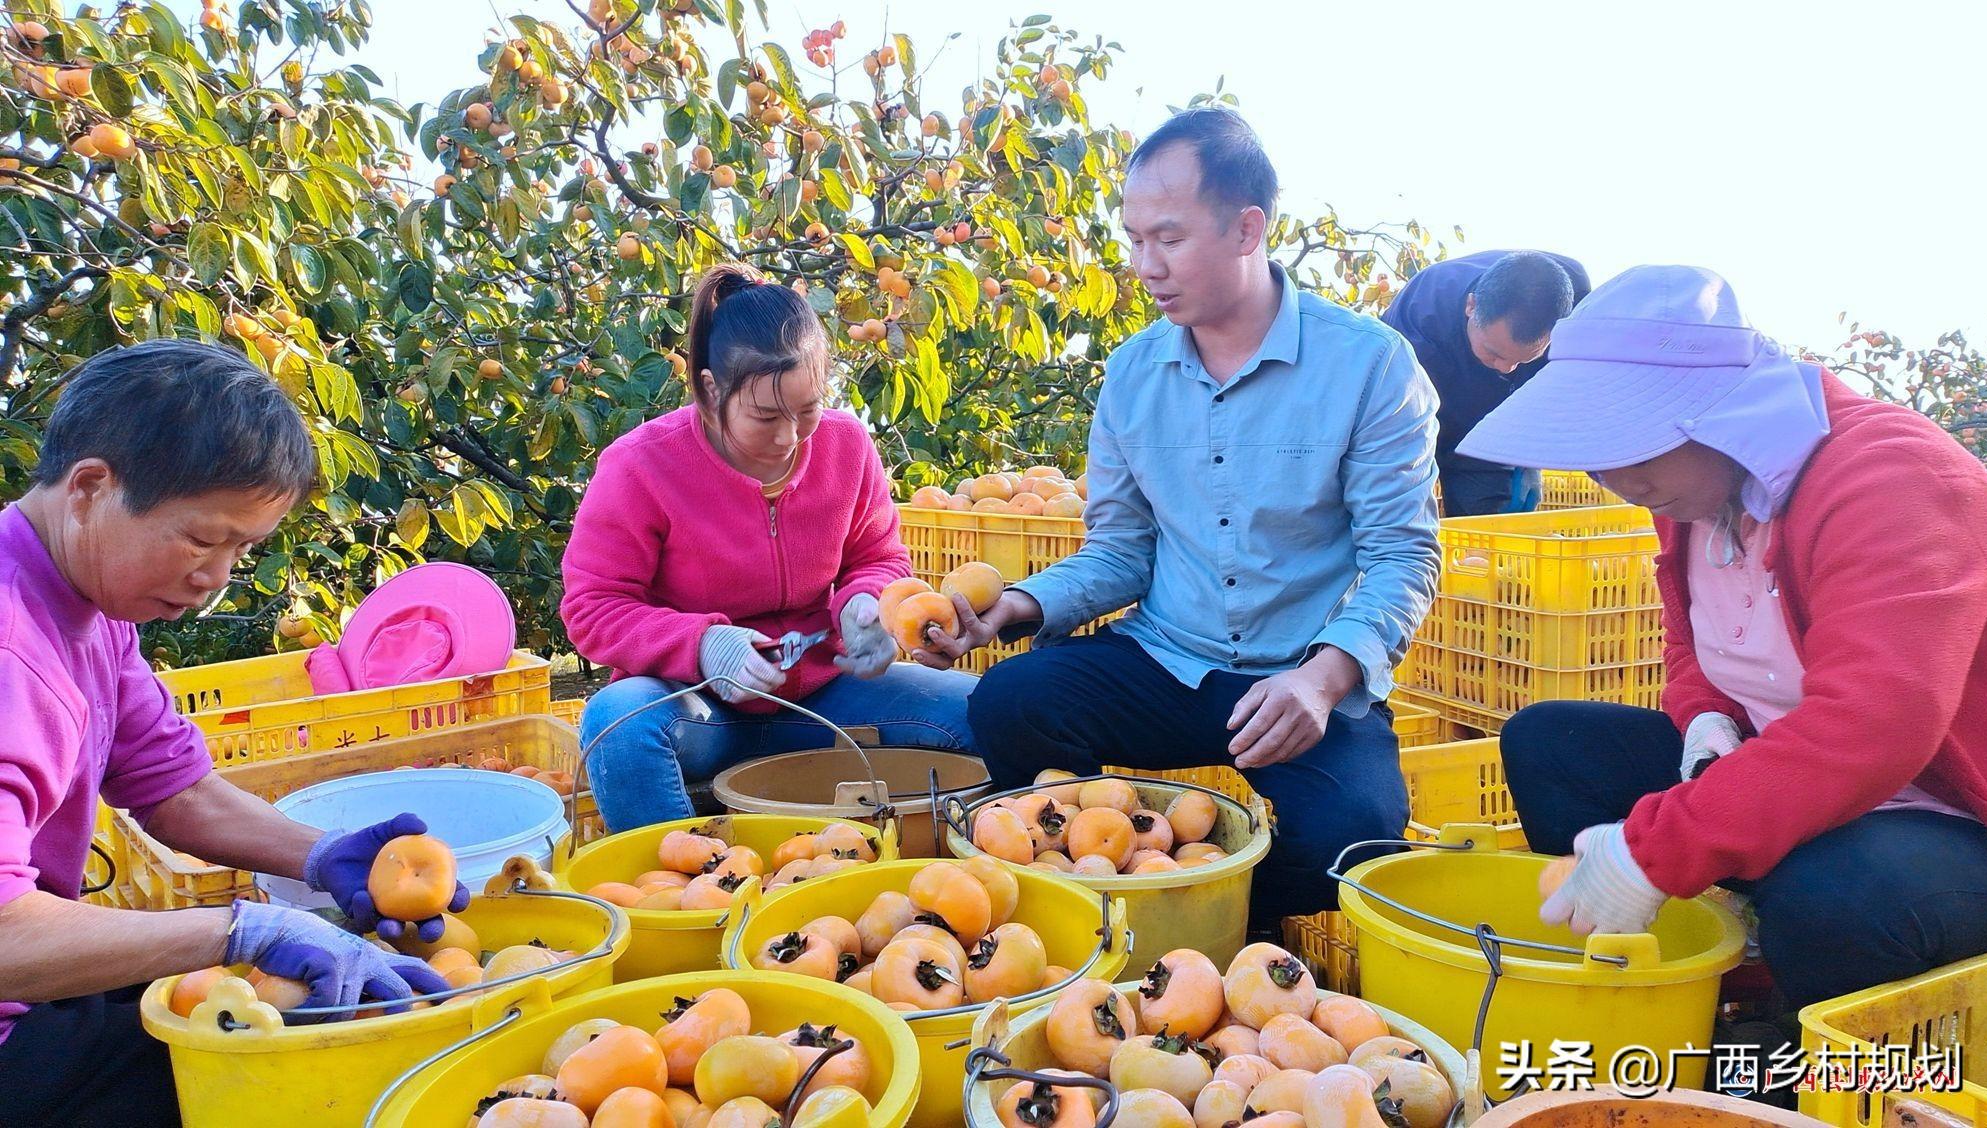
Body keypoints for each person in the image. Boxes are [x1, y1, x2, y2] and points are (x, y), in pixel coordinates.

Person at [919, 107, 1441, 933]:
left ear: (1246, 229)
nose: (1143, 266)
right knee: (1012, 701)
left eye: (1167, 237)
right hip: (1168, 661)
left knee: (1356, 840)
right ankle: (1087, 881)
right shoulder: (1134, 373)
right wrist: (1015, 607)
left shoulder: (1369, 365)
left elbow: (1402, 558)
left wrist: (1322, 679)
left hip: (1297, 678)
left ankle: (1215, 922)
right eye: (1133, 238)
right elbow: (1122, 552)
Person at [1458, 264, 1987, 1010]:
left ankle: (1795, 1045)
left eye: (1636, 445)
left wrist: (1654, 853)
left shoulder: (1892, 477)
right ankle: (1650, 963)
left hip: (1945, 813)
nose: (1617, 477)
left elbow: (1874, 728)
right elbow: (1692, 648)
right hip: (1787, 773)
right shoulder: (1691, 489)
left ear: (1725, 413)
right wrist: (1705, 721)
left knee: (1839, 897)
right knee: (1551, 742)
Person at [0, 340, 467, 1126]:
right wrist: (237, 929)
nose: (216, 577)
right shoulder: (12, 649)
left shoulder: (85, 603)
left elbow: (173, 787)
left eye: (241, 549)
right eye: (201, 539)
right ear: (89, 488)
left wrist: (319, 856)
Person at [563, 263, 978, 832]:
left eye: (807, 410)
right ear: (712, 389)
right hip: (699, 705)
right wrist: (703, 645)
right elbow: (592, 608)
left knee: (987, 710)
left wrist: (867, 605)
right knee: (618, 721)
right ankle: (680, 891)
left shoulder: (845, 446)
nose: (789, 437)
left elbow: (878, 557)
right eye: (764, 416)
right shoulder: (642, 466)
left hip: (824, 692)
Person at [1382, 249, 1589, 516]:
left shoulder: (1577, 301)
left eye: (1524, 359)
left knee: (1490, 532)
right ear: (1471, 306)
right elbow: (1390, 422)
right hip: (1416, 426)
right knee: (1404, 522)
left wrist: (1526, 455)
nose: (1506, 368)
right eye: (1495, 353)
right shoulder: (1418, 319)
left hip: (1492, 439)